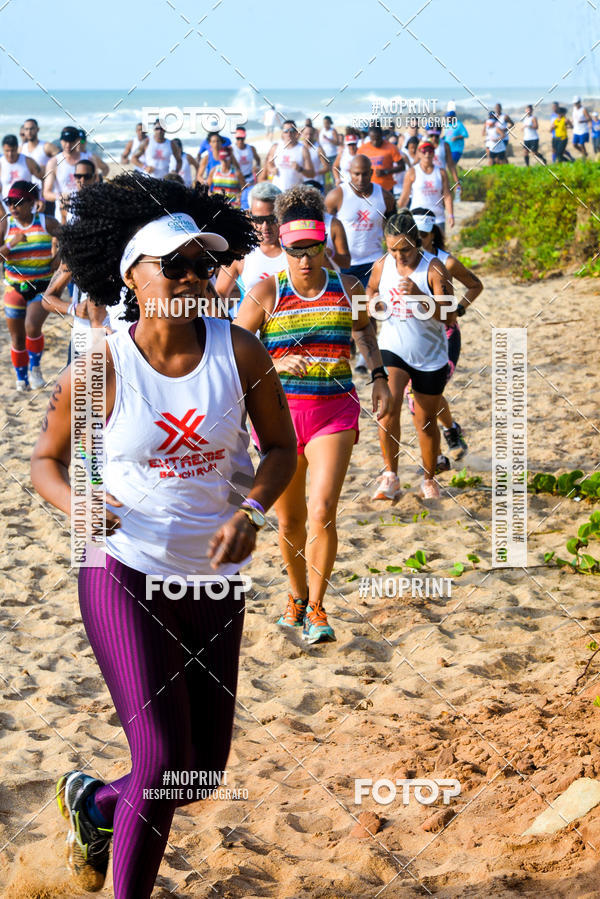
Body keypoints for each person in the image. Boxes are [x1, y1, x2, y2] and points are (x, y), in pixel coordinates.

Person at [30, 172, 297, 899]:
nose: (190, 275)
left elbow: (280, 448)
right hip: (123, 569)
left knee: (197, 772)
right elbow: (45, 464)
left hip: (211, 576)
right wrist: (76, 506)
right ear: (131, 277)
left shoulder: (239, 352)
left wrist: (254, 512)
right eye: (172, 263)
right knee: (157, 760)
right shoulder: (102, 365)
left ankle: (94, 804)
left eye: (201, 264)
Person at [235, 185, 390, 643]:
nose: (304, 260)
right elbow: (233, 352)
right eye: (295, 251)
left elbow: (365, 332)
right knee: (289, 521)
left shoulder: (348, 288)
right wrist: (274, 362)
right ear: (282, 248)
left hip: (334, 413)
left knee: (323, 511)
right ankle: (296, 596)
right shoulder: (266, 292)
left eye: (312, 250)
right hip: (279, 420)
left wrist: (379, 376)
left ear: (325, 244)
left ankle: (319, 609)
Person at [366, 209, 457, 500]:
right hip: (393, 347)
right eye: (393, 249)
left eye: (405, 249)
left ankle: (429, 479)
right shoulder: (383, 265)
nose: (399, 256)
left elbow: (450, 317)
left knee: (425, 421)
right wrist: (373, 303)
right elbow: (370, 289)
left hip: (429, 355)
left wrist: (420, 295)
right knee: (388, 408)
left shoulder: (434, 269)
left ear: (417, 242)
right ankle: (390, 475)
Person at [411, 207, 483, 463]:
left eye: (423, 234)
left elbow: (476, 284)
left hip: (445, 336)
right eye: (414, 234)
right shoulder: (401, 262)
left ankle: (443, 445)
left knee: (428, 391)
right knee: (418, 396)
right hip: (415, 337)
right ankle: (445, 441)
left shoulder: (447, 261)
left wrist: (460, 309)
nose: (419, 239)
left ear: (433, 235)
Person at [42, 159, 114, 360]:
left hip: (121, 336)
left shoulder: (129, 252)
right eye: (78, 176)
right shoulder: (80, 249)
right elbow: (48, 298)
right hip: (86, 335)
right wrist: (74, 309)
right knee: (82, 389)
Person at [0, 181, 59, 390]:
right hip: (14, 287)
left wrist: (58, 258)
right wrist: (11, 244)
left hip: (41, 286)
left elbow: (69, 240)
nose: (13, 207)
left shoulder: (46, 222)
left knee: (32, 327)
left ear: (32, 203)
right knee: (17, 337)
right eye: (9, 202)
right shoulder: (6, 226)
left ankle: (35, 369)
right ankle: (21, 378)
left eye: (18, 202)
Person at [215, 181, 285, 318]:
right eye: (258, 219)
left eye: (271, 219)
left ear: (281, 216)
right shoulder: (240, 251)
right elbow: (219, 294)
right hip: (251, 335)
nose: (265, 226)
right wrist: (228, 328)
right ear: (249, 216)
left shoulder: (294, 251)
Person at [43, 126, 105, 221]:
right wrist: (60, 197)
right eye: (65, 141)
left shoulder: (89, 159)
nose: (68, 145)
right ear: (60, 141)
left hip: (86, 209)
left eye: (71, 141)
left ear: (78, 141)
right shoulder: (54, 162)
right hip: (63, 213)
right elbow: (46, 193)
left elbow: (96, 185)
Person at [398, 140, 453, 232]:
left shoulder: (441, 172)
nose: (427, 154)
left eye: (430, 151)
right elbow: (405, 197)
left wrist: (451, 214)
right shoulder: (412, 172)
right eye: (424, 151)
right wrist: (396, 213)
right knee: (418, 246)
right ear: (419, 153)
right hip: (418, 218)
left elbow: (447, 195)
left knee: (439, 246)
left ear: (434, 153)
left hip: (437, 218)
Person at [19, 118, 59, 205]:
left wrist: (47, 168)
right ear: (23, 131)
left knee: (47, 218)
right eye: (26, 129)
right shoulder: (21, 149)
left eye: (32, 128)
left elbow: (62, 159)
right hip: (27, 193)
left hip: (44, 193)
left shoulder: (46, 146)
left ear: (38, 129)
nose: (29, 132)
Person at [266, 120, 314, 191]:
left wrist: (300, 169)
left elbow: (311, 174)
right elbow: (269, 164)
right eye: (286, 131)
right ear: (282, 133)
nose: (289, 133)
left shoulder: (303, 150)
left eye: (291, 130)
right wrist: (271, 169)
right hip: (277, 192)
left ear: (296, 132)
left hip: (295, 193)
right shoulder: (275, 147)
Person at [360, 124, 404, 192]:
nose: (375, 142)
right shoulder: (363, 149)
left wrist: (385, 171)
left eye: (377, 139)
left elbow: (402, 166)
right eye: (372, 139)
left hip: (386, 189)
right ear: (369, 137)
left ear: (381, 136)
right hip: (369, 188)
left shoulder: (391, 147)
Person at [1, 134, 43, 207]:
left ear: (17, 148)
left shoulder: (28, 161)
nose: (10, 154)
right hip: (7, 206)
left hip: (25, 205)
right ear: (2, 149)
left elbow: (43, 178)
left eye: (12, 150)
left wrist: (41, 199)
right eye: (7, 151)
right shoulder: (1, 163)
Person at [232, 126, 260, 209]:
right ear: (235, 138)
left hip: (249, 179)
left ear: (245, 137)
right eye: (238, 138)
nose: (240, 140)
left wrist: (257, 166)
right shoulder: (232, 149)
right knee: (236, 202)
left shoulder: (251, 148)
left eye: (242, 138)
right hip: (236, 180)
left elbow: (258, 160)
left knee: (248, 202)